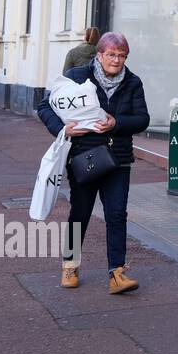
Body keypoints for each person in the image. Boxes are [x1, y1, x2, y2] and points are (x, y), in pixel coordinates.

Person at [36, 32, 149, 293]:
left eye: (122, 56)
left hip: (118, 158)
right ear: (99, 54)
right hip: (83, 157)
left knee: (117, 214)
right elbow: (44, 107)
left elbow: (142, 119)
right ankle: (70, 266)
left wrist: (116, 123)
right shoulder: (76, 76)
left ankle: (117, 273)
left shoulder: (133, 82)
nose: (117, 60)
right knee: (80, 213)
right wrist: (64, 129)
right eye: (111, 54)